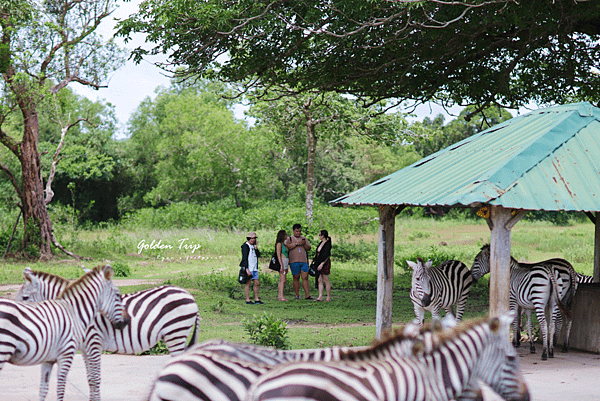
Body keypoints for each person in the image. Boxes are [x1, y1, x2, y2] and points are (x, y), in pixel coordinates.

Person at [284, 223, 313, 300]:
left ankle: (307, 295)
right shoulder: (289, 239)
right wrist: (297, 244)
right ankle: (297, 295)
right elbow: (287, 247)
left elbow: (308, 248)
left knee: (305, 277)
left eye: (300, 231)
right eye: (297, 231)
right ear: (293, 231)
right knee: (296, 277)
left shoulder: (304, 238)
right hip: (294, 261)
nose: (298, 233)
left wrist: (303, 244)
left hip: (304, 261)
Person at [240, 231, 264, 305]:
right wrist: (246, 268)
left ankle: (256, 299)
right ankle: (248, 300)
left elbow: (258, 255)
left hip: (254, 268)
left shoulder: (253, 246)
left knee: (256, 283)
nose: (253, 240)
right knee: (248, 283)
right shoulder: (245, 246)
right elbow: (244, 258)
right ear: (248, 238)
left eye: (254, 238)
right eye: (252, 238)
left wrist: (256, 248)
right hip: (249, 268)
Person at [312, 230, 332, 302]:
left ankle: (328, 297)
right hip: (319, 262)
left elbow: (327, 255)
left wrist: (322, 263)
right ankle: (320, 296)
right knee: (319, 279)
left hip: (324, 263)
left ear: (323, 235)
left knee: (326, 279)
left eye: (320, 235)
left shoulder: (327, 244)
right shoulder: (321, 243)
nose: (319, 236)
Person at [275, 230, 290, 301]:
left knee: (282, 279)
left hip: (286, 261)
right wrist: (281, 265)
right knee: (283, 279)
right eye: (285, 235)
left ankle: (280, 295)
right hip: (283, 262)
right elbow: (278, 254)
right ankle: (281, 295)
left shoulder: (284, 244)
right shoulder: (279, 244)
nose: (286, 236)